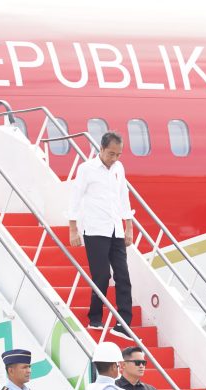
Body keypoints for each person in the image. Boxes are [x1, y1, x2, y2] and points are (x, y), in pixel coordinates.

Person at [68, 131, 135, 335]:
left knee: (123, 276)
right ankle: (95, 318)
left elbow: (123, 196)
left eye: (118, 154)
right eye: (111, 154)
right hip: (95, 230)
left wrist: (129, 226)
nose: (114, 158)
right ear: (101, 149)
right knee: (102, 276)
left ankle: (124, 324)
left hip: (116, 229)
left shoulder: (119, 168)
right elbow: (75, 198)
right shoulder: (86, 169)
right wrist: (73, 229)